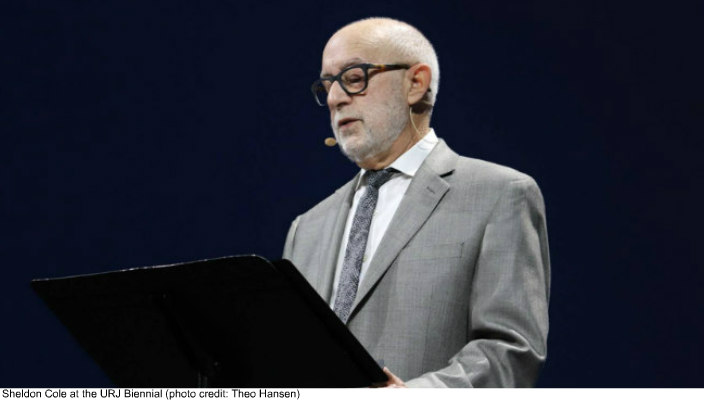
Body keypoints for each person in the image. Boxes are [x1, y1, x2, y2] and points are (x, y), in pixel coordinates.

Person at [282, 17, 550, 388]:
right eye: (327, 85)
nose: (334, 98)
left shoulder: (499, 194)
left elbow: (511, 350)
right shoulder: (306, 229)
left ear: (415, 84)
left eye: (354, 78)